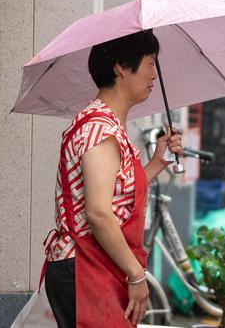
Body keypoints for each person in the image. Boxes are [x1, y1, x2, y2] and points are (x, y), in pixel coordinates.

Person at [42, 30, 182, 327]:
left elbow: (117, 198)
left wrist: (158, 163)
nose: (154, 75)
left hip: (95, 263)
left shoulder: (106, 125)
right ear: (121, 66)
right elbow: (99, 214)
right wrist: (137, 274)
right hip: (86, 266)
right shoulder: (101, 131)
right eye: (150, 62)